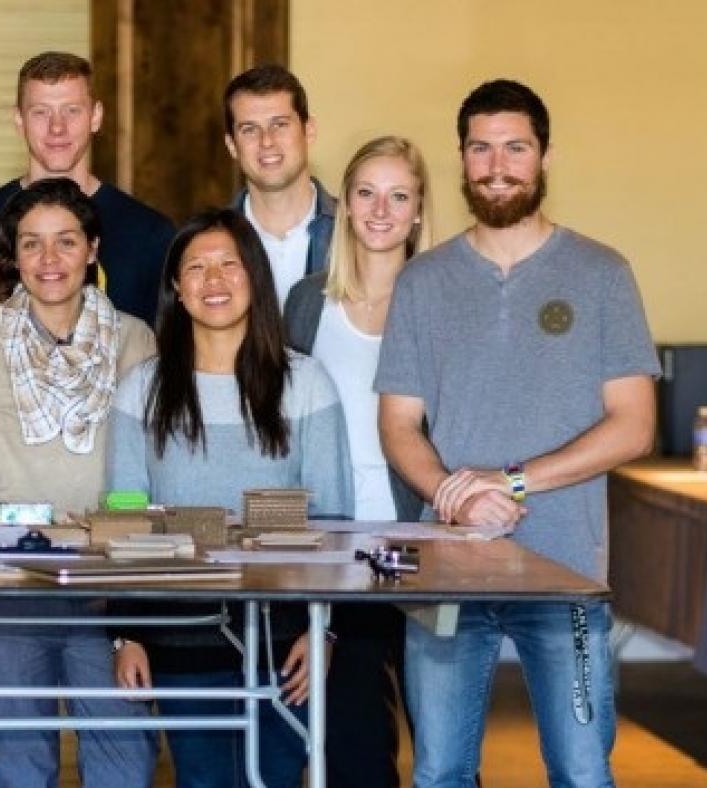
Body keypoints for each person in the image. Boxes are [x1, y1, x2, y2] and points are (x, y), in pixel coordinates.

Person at [376, 79, 659, 786]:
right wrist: (453, 492)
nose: (496, 163)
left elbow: (635, 425)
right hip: (447, 569)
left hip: (567, 574)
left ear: (545, 156)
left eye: (515, 147)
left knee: (582, 772)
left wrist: (512, 481)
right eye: (480, 147)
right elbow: (399, 423)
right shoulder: (423, 280)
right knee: (440, 771)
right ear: (461, 158)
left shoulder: (602, 274)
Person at [108, 208, 352, 788]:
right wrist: (127, 633)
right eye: (196, 268)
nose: (212, 281)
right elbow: (124, 519)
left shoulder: (306, 382)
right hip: (177, 634)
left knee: (274, 774)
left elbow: (334, 522)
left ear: (255, 277)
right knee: (203, 779)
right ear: (176, 286)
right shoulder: (142, 387)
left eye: (228, 265)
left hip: (282, 638)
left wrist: (325, 632)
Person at [0, 177, 159, 788]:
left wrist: (134, 597)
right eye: (31, 245)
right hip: (6, 586)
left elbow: (147, 469)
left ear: (92, 249)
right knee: (19, 769)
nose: (49, 260)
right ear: (14, 257)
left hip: (106, 588)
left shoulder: (136, 341)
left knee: (125, 765)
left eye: (65, 242)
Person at [284, 135, 434, 788]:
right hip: (337, 552)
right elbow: (280, 435)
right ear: (343, 206)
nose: (381, 210)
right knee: (357, 753)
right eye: (366, 193)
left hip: (428, 549)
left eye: (399, 195)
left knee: (445, 753)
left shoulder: (444, 305)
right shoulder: (307, 302)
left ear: (420, 210)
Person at [0, 51, 175, 326]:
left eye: (71, 110)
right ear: (19, 120)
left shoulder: (151, 234)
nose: (57, 128)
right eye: (41, 112)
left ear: (96, 116)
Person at [222, 64, 335, 308]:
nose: (266, 141)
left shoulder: (356, 232)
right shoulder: (209, 242)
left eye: (280, 124)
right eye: (249, 129)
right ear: (232, 145)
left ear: (309, 132)